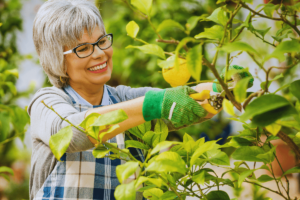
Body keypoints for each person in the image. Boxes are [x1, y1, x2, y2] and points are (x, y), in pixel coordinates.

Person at [27, 0, 252, 199]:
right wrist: (154, 105)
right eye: (83, 48)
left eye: (102, 41)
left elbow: (182, 101)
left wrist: (224, 87)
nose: (99, 54)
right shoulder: (47, 103)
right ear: (56, 57)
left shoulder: (122, 98)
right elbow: (71, 135)